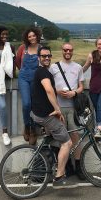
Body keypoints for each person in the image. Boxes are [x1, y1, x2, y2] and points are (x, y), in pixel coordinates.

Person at [31, 46, 77, 189]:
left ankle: (50, 165)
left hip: (38, 113)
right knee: (67, 143)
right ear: (38, 57)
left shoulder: (41, 71)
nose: (47, 58)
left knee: (54, 138)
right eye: (43, 56)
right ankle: (59, 177)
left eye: (49, 56)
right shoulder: (43, 72)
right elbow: (49, 90)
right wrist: (58, 110)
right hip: (45, 116)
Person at [50, 42, 85, 179]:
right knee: (61, 139)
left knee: (75, 137)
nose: (68, 52)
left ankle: (78, 166)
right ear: (62, 50)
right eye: (65, 50)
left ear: (73, 50)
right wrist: (57, 91)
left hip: (72, 108)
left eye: (70, 50)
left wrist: (74, 93)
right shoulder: (54, 67)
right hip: (58, 108)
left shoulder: (77, 67)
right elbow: (49, 86)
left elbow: (81, 86)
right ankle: (66, 167)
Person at [15, 27, 42, 145]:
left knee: (35, 104)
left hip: (36, 79)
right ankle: (27, 125)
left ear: (37, 36)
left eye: (33, 36)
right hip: (23, 78)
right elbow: (17, 61)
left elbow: (45, 62)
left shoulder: (41, 48)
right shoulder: (23, 48)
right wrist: (23, 71)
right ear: (27, 38)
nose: (32, 38)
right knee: (26, 104)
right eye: (29, 36)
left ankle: (33, 131)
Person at [83, 37, 101, 138]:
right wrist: (75, 76)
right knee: (97, 108)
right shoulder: (92, 55)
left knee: (100, 105)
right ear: (96, 45)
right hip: (94, 86)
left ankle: (98, 129)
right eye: (99, 44)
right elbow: (85, 67)